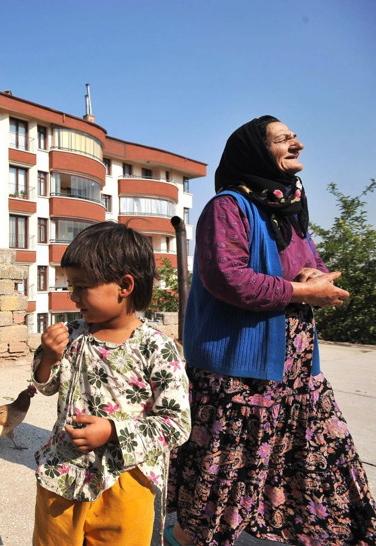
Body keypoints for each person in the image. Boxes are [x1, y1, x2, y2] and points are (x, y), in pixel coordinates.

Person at [166, 116, 376, 545]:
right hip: (241, 374)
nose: (297, 143)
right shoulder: (228, 207)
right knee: (222, 479)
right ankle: (188, 538)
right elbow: (228, 277)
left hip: (298, 374)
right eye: (284, 139)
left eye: (295, 136)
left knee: (320, 467)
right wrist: (301, 291)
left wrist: (313, 276)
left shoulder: (288, 207)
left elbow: (300, 264)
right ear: (257, 152)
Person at [32, 222, 191, 545]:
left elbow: (177, 423)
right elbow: (46, 386)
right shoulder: (74, 333)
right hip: (62, 474)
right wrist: (47, 358)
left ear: (125, 285)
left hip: (125, 483)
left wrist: (112, 431)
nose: (73, 296)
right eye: (70, 286)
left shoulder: (156, 347)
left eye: (82, 286)